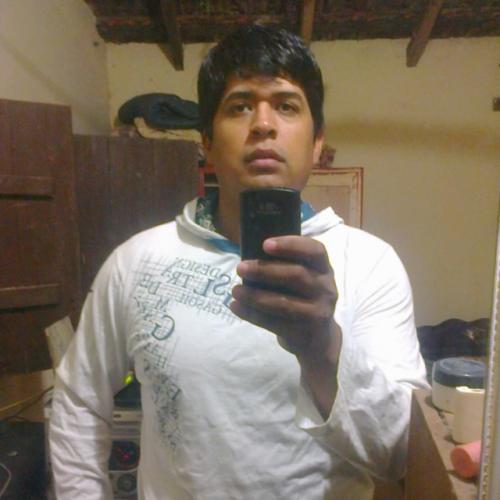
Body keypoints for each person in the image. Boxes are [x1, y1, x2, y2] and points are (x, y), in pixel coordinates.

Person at [49, 24, 428, 499]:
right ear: (207, 141)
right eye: (240, 106)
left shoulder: (371, 264)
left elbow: (399, 454)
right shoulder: (135, 261)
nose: (263, 124)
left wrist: (323, 348)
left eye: (286, 105)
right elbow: (79, 403)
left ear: (317, 143)